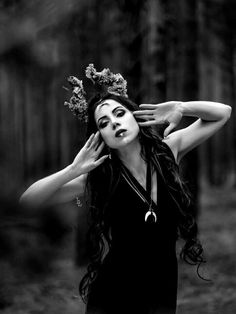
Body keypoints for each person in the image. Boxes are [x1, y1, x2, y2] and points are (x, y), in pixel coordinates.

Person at [20, 65, 231, 314]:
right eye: (104, 123)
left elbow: (222, 113)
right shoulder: (99, 176)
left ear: (134, 116)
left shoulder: (168, 150)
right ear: (100, 136)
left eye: (120, 113)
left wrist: (181, 107)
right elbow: (27, 201)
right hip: (114, 293)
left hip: (162, 285)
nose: (115, 123)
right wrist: (74, 169)